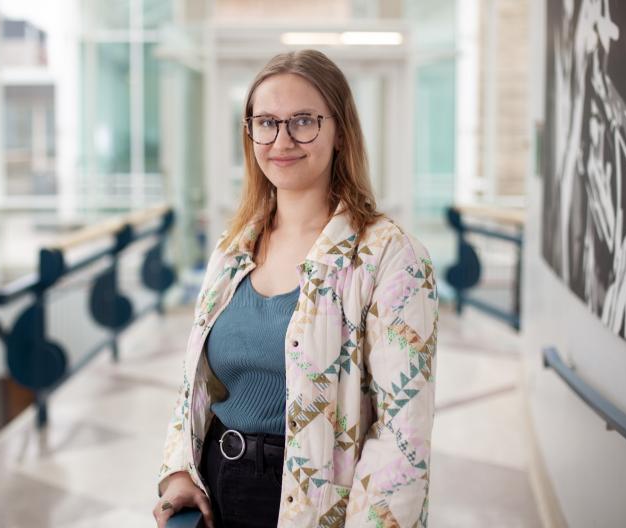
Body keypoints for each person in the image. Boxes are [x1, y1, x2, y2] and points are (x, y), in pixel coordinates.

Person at [153, 49, 438, 528]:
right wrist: (177, 470)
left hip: (315, 506)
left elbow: (402, 439)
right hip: (217, 489)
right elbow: (194, 388)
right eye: (265, 122)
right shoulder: (232, 249)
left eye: (303, 121)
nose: (281, 140)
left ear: (340, 132)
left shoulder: (390, 257)